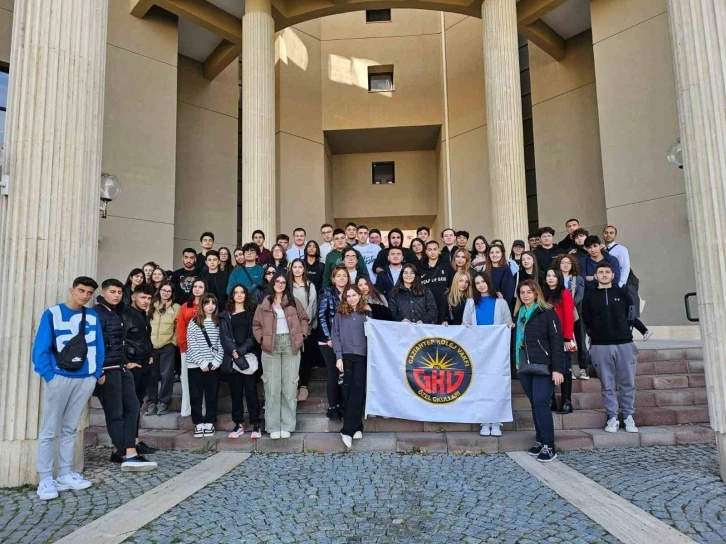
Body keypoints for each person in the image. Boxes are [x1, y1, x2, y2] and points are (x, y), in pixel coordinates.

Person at [32, 277, 105, 500]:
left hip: (85, 378)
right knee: (49, 429)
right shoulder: (52, 314)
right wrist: (49, 375)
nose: (84, 296)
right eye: (81, 291)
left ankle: (64, 473)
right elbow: (41, 347)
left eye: (89, 292)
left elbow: (98, 345)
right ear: (72, 290)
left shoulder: (92, 315)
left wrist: (95, 373)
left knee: (70, 427)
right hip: (60, 377)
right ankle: (45, 478)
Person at [93, 279, 157, 472]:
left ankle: (127, 451)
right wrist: (99, 371)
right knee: (116, 412)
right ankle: (125, 452)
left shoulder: (119, 312)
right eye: (112, 291)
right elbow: (94, 343)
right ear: (103, 293)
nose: (116, 295)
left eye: (119, 292)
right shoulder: (98, 313)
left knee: (132, 407)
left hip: (121, 367)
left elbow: (121, 340)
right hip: (109, 369)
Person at [582, 263, 639, 434]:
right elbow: (587, 318)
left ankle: (629, 416)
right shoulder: (589, 295)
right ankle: (612, 417)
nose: (604, 274)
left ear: (613, 275)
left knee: (627, 383)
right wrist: (596, 334)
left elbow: (631, 314)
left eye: (607, 272)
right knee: (607, 385)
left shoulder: (622, 292)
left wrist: (623, 330)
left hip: (624, 343)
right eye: (601, 272)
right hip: (600, 345)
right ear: (596, 275)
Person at [253, 271, 310, 439]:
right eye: (277, 281)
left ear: (287, 285)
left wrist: (302, 336)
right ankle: (272, 426)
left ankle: (287, 425)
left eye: (283, 282)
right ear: (272, 284)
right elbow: (256, 324)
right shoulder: (264, 304)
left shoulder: (293, 302)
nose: (280, 284)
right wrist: (262, 339)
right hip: (271, 346)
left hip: (290, 345)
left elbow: (304, 319)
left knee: (289, 386)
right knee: (271, 386)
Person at [514, 280, 565, 463]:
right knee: (535, 404)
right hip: (525, 366)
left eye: (529, 292)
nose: (525, 295)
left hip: (544, 366)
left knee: (541, 404)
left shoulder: (547, 312)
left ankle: (549, 446)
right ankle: (540, 440)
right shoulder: (519, 315)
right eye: (522, 292)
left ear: (536, 294)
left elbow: (557, 341)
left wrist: (558, 369)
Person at [462, 271, 513, 437]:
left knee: (497, 385)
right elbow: (466, 325)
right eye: (477, 283)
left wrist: (510, 324)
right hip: (477, 351)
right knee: (481, 385)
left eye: (483, 281)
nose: (481, 285)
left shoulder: (501, 302)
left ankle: (496, 421)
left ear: (488, 282)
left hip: (497, 351)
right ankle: (484, 420)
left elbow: (507, 322)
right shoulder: (470, 303)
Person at [219, 284, 262, 440]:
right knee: (235, 393)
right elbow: (224, 337)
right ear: (232, 295)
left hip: (248, 356)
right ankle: (238, 424)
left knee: (251, 391)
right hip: (232, 358)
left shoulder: (252, 313)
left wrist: (241, 351)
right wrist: (234, 352)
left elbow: (254, 335)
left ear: (246, 295)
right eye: (235, 292)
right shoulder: (225, 315)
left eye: (242, 292)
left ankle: (256, 424)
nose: (239, 295)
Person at [332, 285, 370, 449]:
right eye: (349, 296)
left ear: (360, 295)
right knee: (347, 390)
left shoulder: (366, 313)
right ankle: (354, 427)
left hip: (362, 356)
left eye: (354, 295)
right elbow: (336, 335)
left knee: (358, 390)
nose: (352, 298)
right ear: (345, 298)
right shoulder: (340, 314)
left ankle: (349, 429)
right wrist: (338, 357)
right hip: (346, 356)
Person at [123, 284, 158, 454]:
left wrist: (150, 354)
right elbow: (119, 339)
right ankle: (126, 444)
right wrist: (126, 362)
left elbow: (145, 338)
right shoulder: (125, 315)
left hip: (144, 364)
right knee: (130, 406)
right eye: (143, 297)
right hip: (132, 365)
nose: (146, 301)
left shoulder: (143, 315)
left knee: (137, 404)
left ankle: (134, 441)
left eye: (149, 298)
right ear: (133, 297)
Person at [602, 225, 652, 341]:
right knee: (618, 309)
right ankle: (642, 331)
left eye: (611, 232)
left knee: (627, 309)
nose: (608, 234)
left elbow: (625, 267)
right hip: (611, 283)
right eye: (606, 232)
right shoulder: (601, 249)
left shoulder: (621, 249)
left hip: (625, 282)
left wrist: (621, 283)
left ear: (615, 235)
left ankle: (640, 332)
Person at [186, 293, 223, 438]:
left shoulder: (218, 322)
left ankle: (210, 422)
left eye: (213, 303)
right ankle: (198, 423)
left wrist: (216, 361)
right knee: (196, 395)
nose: (210, 306)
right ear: (202, 305)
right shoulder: (194, 322)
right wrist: (201, 362)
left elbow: (221, 343)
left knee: (211, 394)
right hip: (195, 365)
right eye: (207, 303)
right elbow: (192, 344)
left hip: (213, 365)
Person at [318, 266, 350, 420]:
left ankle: (343, 405)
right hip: (329, 341)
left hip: (346, 340)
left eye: (345, 275)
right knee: (333, 373)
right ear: (333, 279)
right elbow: (322, 316)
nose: (342, 278)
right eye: (339, 276)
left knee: (344, 374)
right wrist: (328, 338)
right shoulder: (327, 293)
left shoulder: (351, 293)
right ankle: (332, 407)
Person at [543, 269, 576, 415]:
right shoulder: (542, 293)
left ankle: (566, 401)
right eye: (548, 276)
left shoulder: (564, 293)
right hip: (545, 338)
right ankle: (551, 400)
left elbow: (569, 316)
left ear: (559, 278)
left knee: (564, 368)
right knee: (548, 368)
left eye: (553, 276)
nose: (550, 278)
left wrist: (567, 337)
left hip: (562, 337)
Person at [553, 254, 588, 380]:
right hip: (558, 313)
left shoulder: (578, 279)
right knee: (563, 340)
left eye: (568, 262)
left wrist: (568, 303)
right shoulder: (554, 278)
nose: (566, 265)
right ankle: (566, 367)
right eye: (563, 262)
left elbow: (580, 296)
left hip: (575, 313)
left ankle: (583, 368)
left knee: (580, 339)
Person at [147, 282, 179, 416]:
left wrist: (173, 342)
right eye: (163, 290)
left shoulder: (176, 307)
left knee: (166, 375)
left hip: (167, 346)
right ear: (159, 291)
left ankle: (163, 402)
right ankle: (151, 403)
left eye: (169, 291)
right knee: (151, 376)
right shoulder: (151, 305)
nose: (166, 293)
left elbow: (178, 326)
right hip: (152, 346)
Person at [177, 279, 206, 417]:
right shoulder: (185, 306)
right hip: (187, 349)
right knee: (186, 378)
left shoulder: (209, 305)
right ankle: (187, 409)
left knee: (204, 380)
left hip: (205, 350)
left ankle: (204, 409)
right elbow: (181, 327)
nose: (197, 289)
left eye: (201, 287)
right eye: (195, 286)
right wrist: (183, 345)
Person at [290, 258, 318, 402]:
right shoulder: (288, 286)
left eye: (300, 267)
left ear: (304, 269)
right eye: (294, 267)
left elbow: (312, 306)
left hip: (306, 326)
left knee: (306, 358)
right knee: (293, 358)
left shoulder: (310, 285)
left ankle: (304, 386)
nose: (297, 269)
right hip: (290, 328)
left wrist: (304, 325)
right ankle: (294, 385)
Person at [420, 240, 454, 324]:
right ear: (426, 252)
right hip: (426, 308)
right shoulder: (420, 268)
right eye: (430, 249)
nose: (432, 252)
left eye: (435, 249)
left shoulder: (447, 266)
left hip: (444, 306)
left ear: (439, 250)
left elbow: (452, 286)